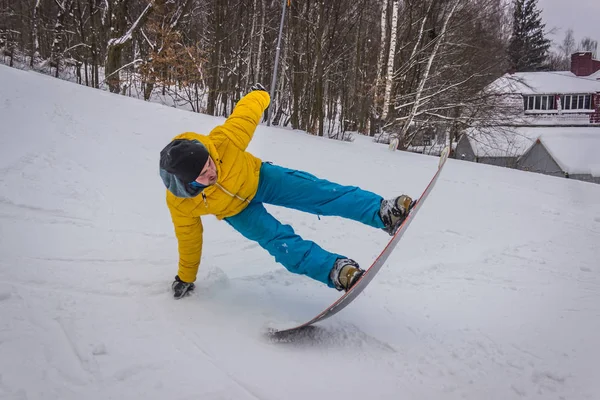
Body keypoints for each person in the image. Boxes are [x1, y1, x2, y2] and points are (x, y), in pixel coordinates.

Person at [159, 84, 414, 299]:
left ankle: (382, 213)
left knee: (321, 193)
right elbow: (188, 239)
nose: (211, 173)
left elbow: (246, 114)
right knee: (280, 243)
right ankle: (334, 270)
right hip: (237, 211)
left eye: (210, 164)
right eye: (203, 175)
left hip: (261, 178)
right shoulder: (180, 204)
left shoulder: (223, 142)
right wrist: (185, 277)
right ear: (187, 182)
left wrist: (260, 93)